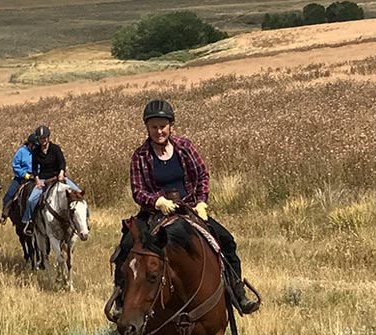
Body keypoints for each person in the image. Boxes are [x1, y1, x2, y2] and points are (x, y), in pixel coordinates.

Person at [109, 99, 259, 315]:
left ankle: (237, 293)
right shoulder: (140, 156)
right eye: (154, 127)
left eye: (163, 126)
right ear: (147, 128)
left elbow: (202, 175)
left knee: (226, 241)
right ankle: (122, 300)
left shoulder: (185, 147)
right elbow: (138, 190)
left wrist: (201, 202)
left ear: (171, 126)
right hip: (154, 213)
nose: (159, 131)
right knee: (126, 247)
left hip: (189, 209)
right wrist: (157, 202)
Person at [20, 125, 78, 226]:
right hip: (44, 179)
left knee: (78, 192)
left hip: (58, 177)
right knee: (30, 200)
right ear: (38, 139)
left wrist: (61, 173)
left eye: (45, 137)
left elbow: (62, 163)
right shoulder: (36, 151)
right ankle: (28, 221)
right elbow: (34, 168)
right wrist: (37, 180)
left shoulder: (55, 148)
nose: (43, 140)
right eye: (41, 138)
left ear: (48, 137)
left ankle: (85, 218)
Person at [1, 133, 37, 222]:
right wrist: (24, 174)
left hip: (36, 177)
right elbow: (15, 165)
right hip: (22, 177)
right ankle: (4, 214)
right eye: (35, 145)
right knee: (9, 195)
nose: (36, 147)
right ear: (30, 144)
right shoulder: (21, 152)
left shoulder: (38, 152)